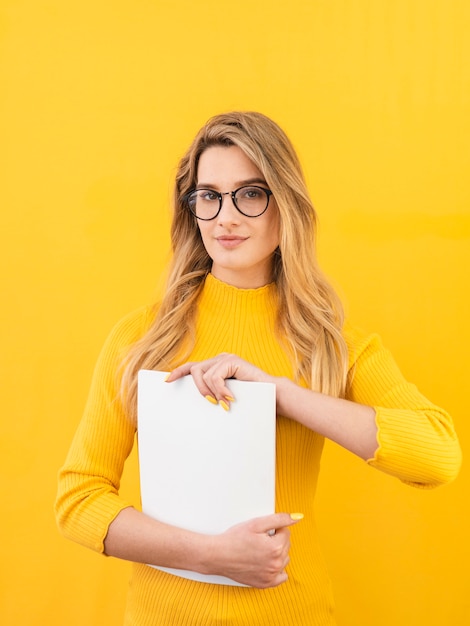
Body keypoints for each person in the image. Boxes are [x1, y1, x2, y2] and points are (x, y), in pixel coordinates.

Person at [55, 111, 461, 625]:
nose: (226, 218)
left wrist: (282, 394)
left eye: (250, 193)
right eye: (209, 196)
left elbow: (438, 455)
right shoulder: (140, 339)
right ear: (193, 208)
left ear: (285, 204)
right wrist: (212, 556)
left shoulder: (333, 345)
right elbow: (78, 500)